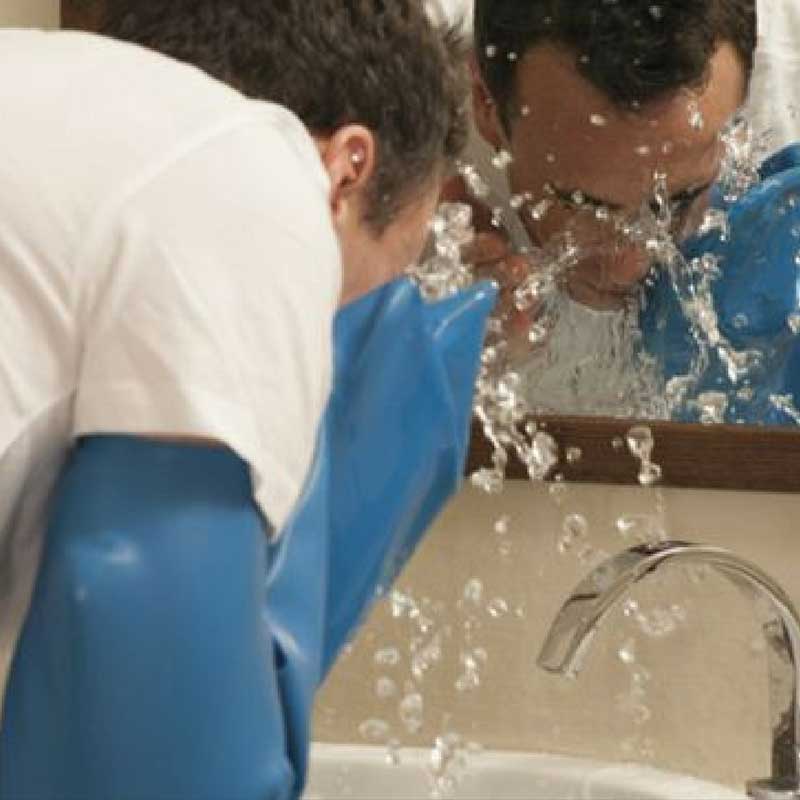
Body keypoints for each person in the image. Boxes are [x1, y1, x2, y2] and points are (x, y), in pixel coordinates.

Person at [0, 2, 497, 798]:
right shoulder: (252, 173)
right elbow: (147, 702)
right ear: (346, 169)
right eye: (356, 290)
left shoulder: (48, 95)